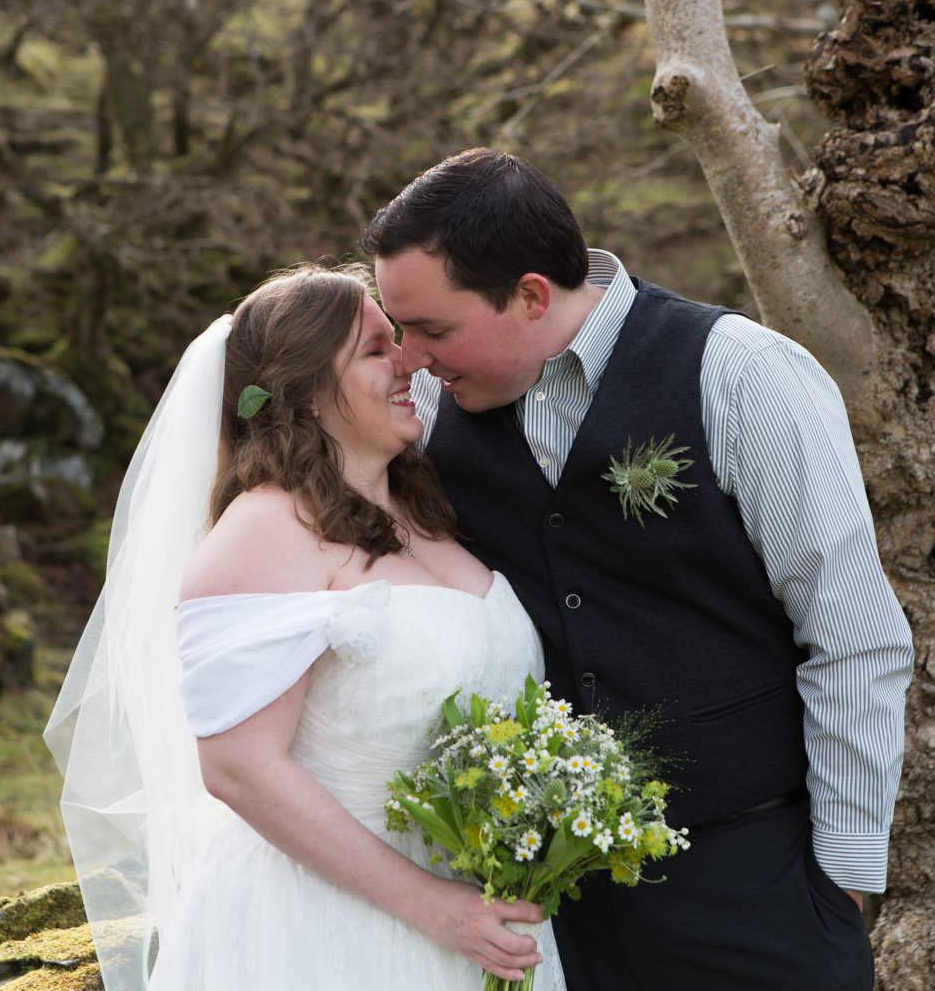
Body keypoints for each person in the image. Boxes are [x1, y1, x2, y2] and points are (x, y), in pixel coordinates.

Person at [363, 148, 915, 989]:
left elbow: (854, 638)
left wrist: (840, 883)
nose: (411, 355)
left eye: (434, 328)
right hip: (551, 913)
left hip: (754, 884)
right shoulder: (426, 410)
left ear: (532, 295)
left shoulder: (742, 375)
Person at [44, 263, 568, 991]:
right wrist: (432, 907)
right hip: (330, 930)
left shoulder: (428, 513)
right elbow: (237, 767)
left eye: (403, 340)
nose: (409, 360)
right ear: (308, 392)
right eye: (375, 348)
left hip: (485, 915)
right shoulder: (262, 531)